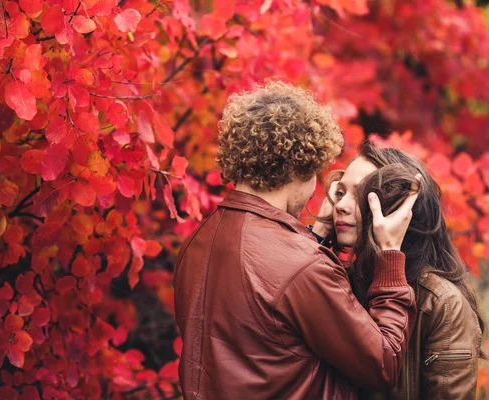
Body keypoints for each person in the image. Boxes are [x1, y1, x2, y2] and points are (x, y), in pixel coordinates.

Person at [173, 81, 419, 400]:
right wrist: (389, 259)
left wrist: (313, 240)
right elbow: (383, 365)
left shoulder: (196, 242)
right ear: (300, 165)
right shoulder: (302, 266)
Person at [314, 141, 484, 399]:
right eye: (340, 193)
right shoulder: (341, 281)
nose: (341, 206)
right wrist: (317, 236)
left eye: (360, 195)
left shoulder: (442, 304)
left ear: (401, 210)